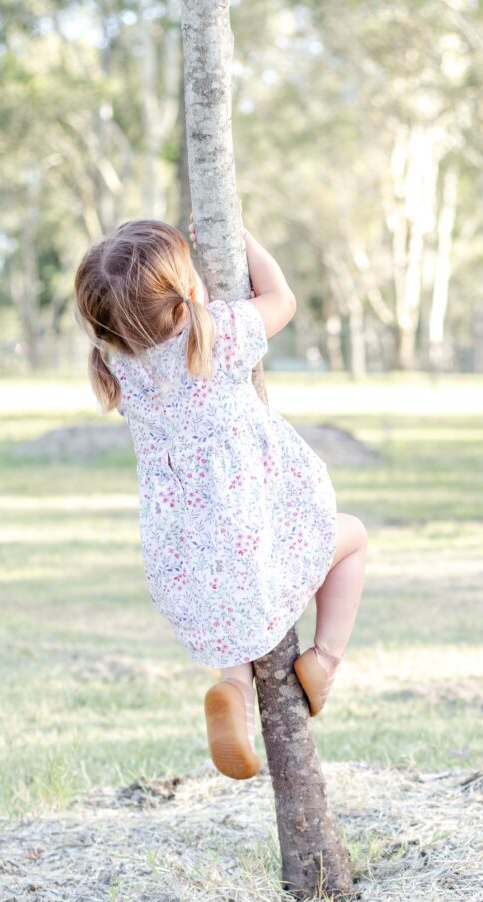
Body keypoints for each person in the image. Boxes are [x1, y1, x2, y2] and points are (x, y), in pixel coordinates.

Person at [73, 217, 367, 780]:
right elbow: (282, 299)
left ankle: (233, 686)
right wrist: (242, 236)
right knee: (351, 538)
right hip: (247, 555)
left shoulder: (120, 367)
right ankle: (325, 661)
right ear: (186, 299)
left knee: (228, 602)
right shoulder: (214, 337)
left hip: (186, 572)